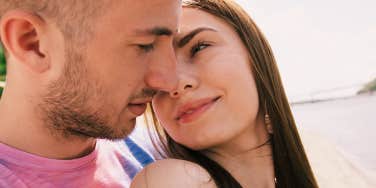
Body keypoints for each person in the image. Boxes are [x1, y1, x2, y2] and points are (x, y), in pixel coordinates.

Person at [131, 0, 319, 187]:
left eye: (199, 48)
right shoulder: (171, 180)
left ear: (255, 55)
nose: (175, 84)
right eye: (154, 73)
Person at [0, 0, 181, 187]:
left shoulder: (158, 154)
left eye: (173, 44)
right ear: (33, 44)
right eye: (145, 45)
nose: (171, 81)